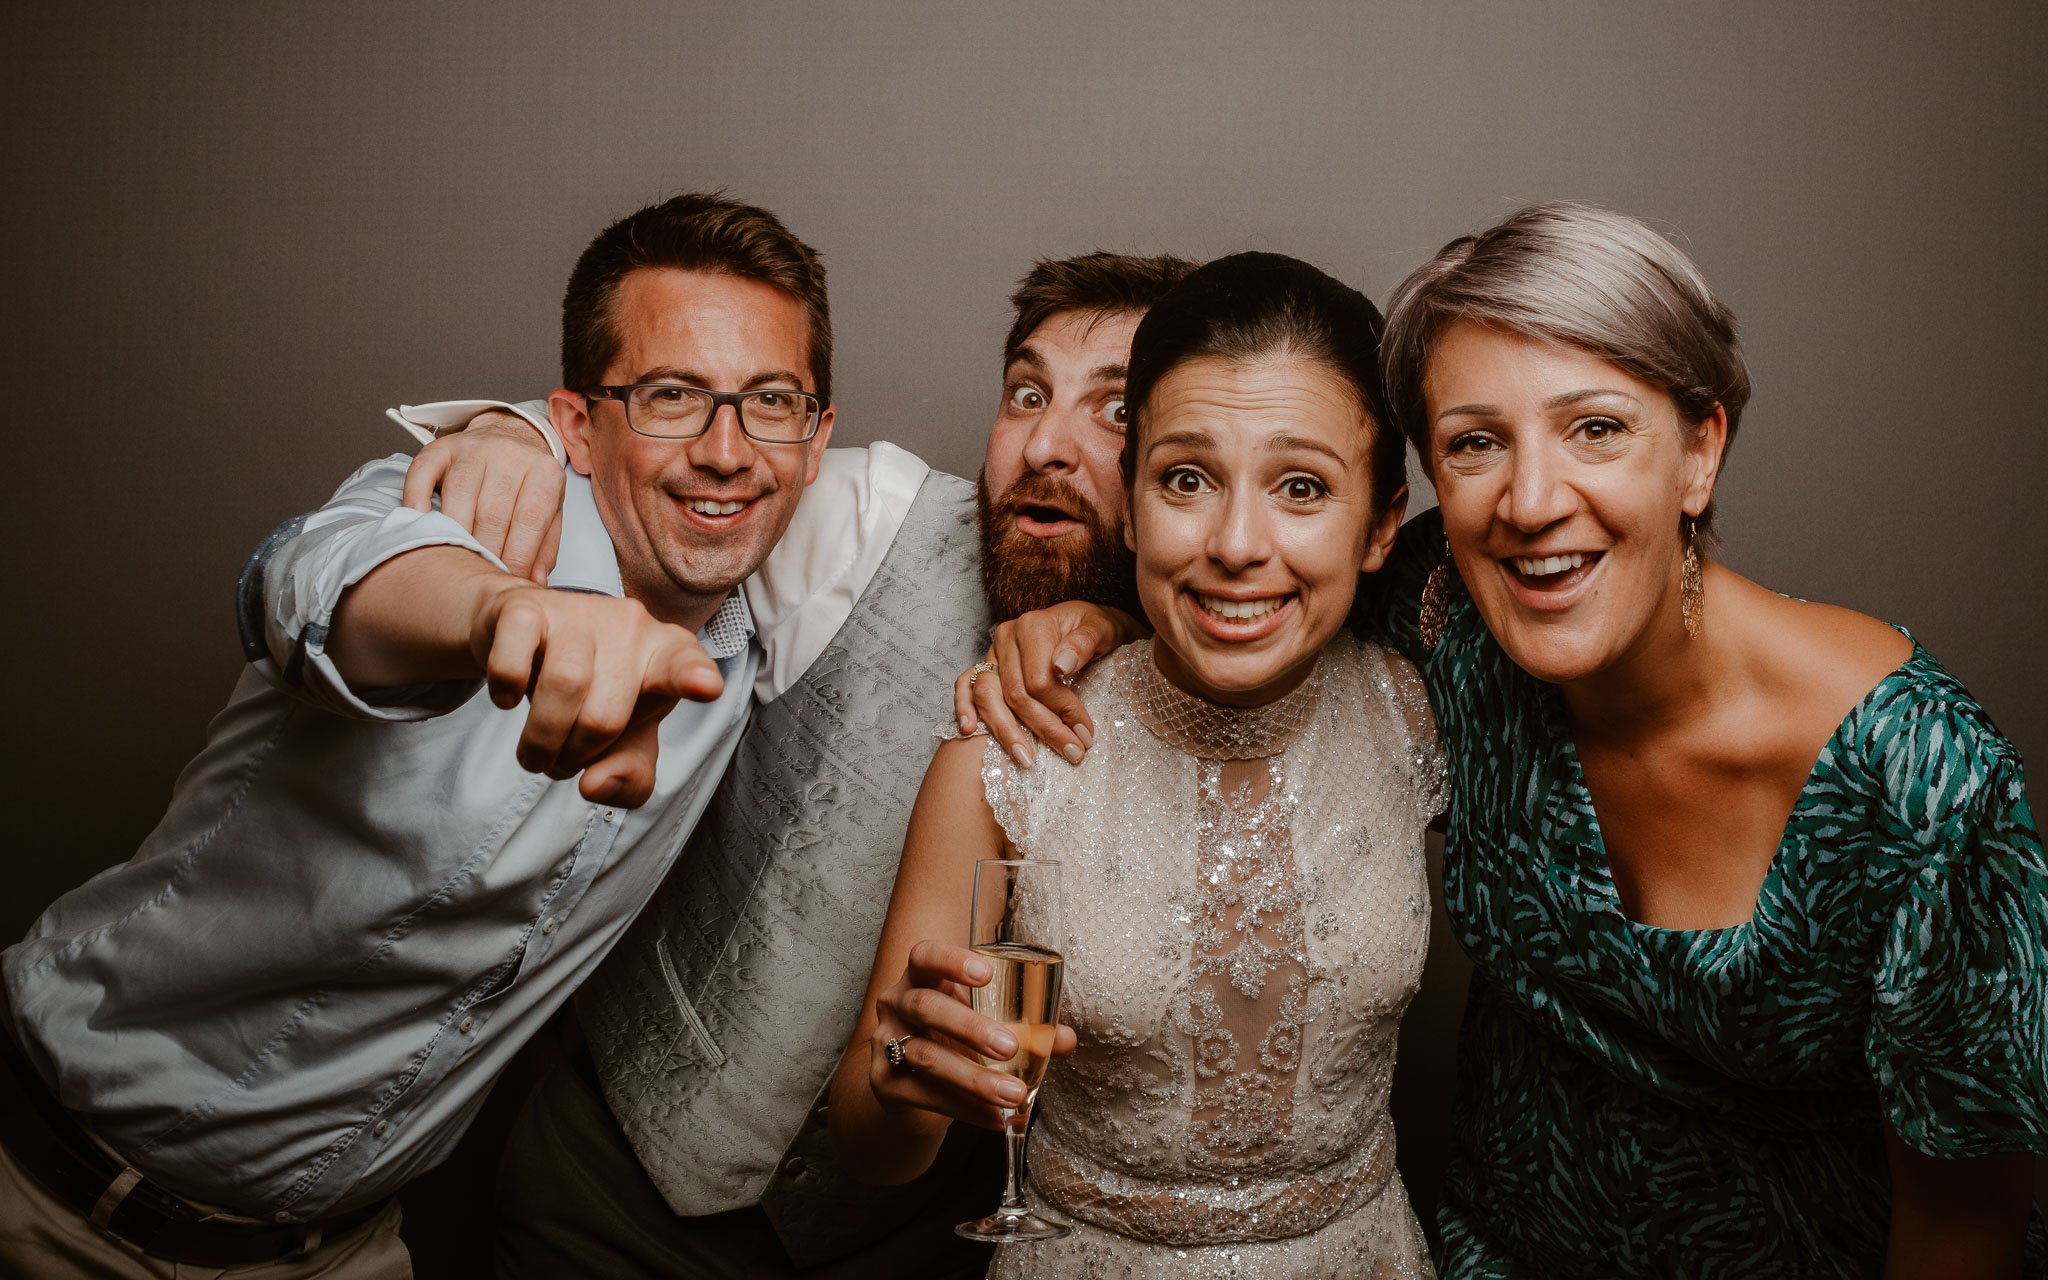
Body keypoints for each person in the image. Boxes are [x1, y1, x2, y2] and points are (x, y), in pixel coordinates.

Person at [962, 204, 2048, 1277]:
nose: (1529, 501)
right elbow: (1245, 585)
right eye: (1475, 443)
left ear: (1699, 449)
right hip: (1493, 1249)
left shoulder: (1923, 785)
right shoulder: (1448, 609)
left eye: (1595, 427)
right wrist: (1099, 619)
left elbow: (1969, 1218)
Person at [0, 191, 853, 1277]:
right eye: (672, 395)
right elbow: (312, 579)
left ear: (817, 436)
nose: (728, 451)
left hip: (340, 1252)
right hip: (48, 1193)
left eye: (771, 401)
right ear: (578, 425)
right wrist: (504, 610)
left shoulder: (761, 630)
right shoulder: (456, 514)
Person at [390, 250, 1196, 1277]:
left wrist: (1121, 622)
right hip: (620, 1194)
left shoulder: (1245, 663)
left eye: (1116, 411)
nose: (1043, 442)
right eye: (1026, 393)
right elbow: (676, 459)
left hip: (918, 1247)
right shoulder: (872, 522)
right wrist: (515, 433)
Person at [827, 251, 1446, 1278]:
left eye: (1299, 486)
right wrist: (904, 1078)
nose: (1236, 542)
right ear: (1132, 489)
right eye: (1186, 479)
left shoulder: (1419, 716)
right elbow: (868, 1140)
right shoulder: (1009, 742)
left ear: (1379, 523)